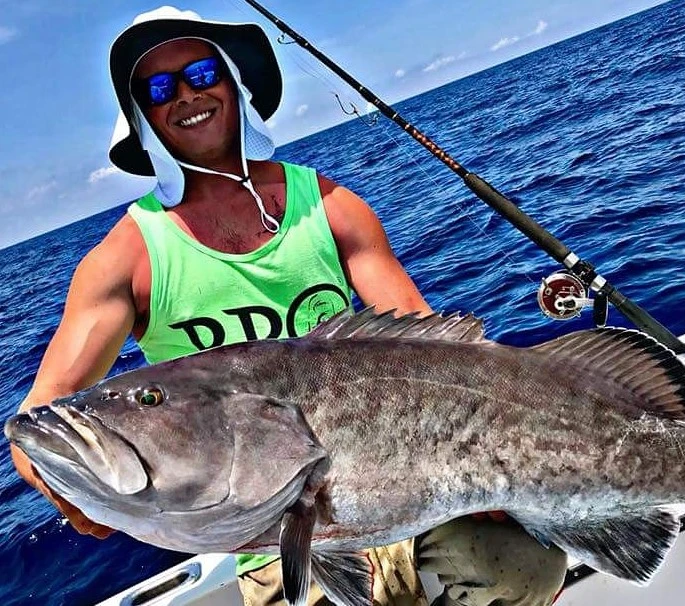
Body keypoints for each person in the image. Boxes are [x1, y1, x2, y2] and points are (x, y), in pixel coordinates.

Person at [9, 7, 568, 606]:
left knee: (523, 563)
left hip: (402, 496)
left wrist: (488, 471)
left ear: (233, 81)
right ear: (142, 118)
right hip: (273, 545)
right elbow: (38, 416)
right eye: (160, 87)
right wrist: (63, 484)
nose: (187, 96)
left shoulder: (330, 206)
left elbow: (435, 352)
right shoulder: (124, 261)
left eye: (201, 73)